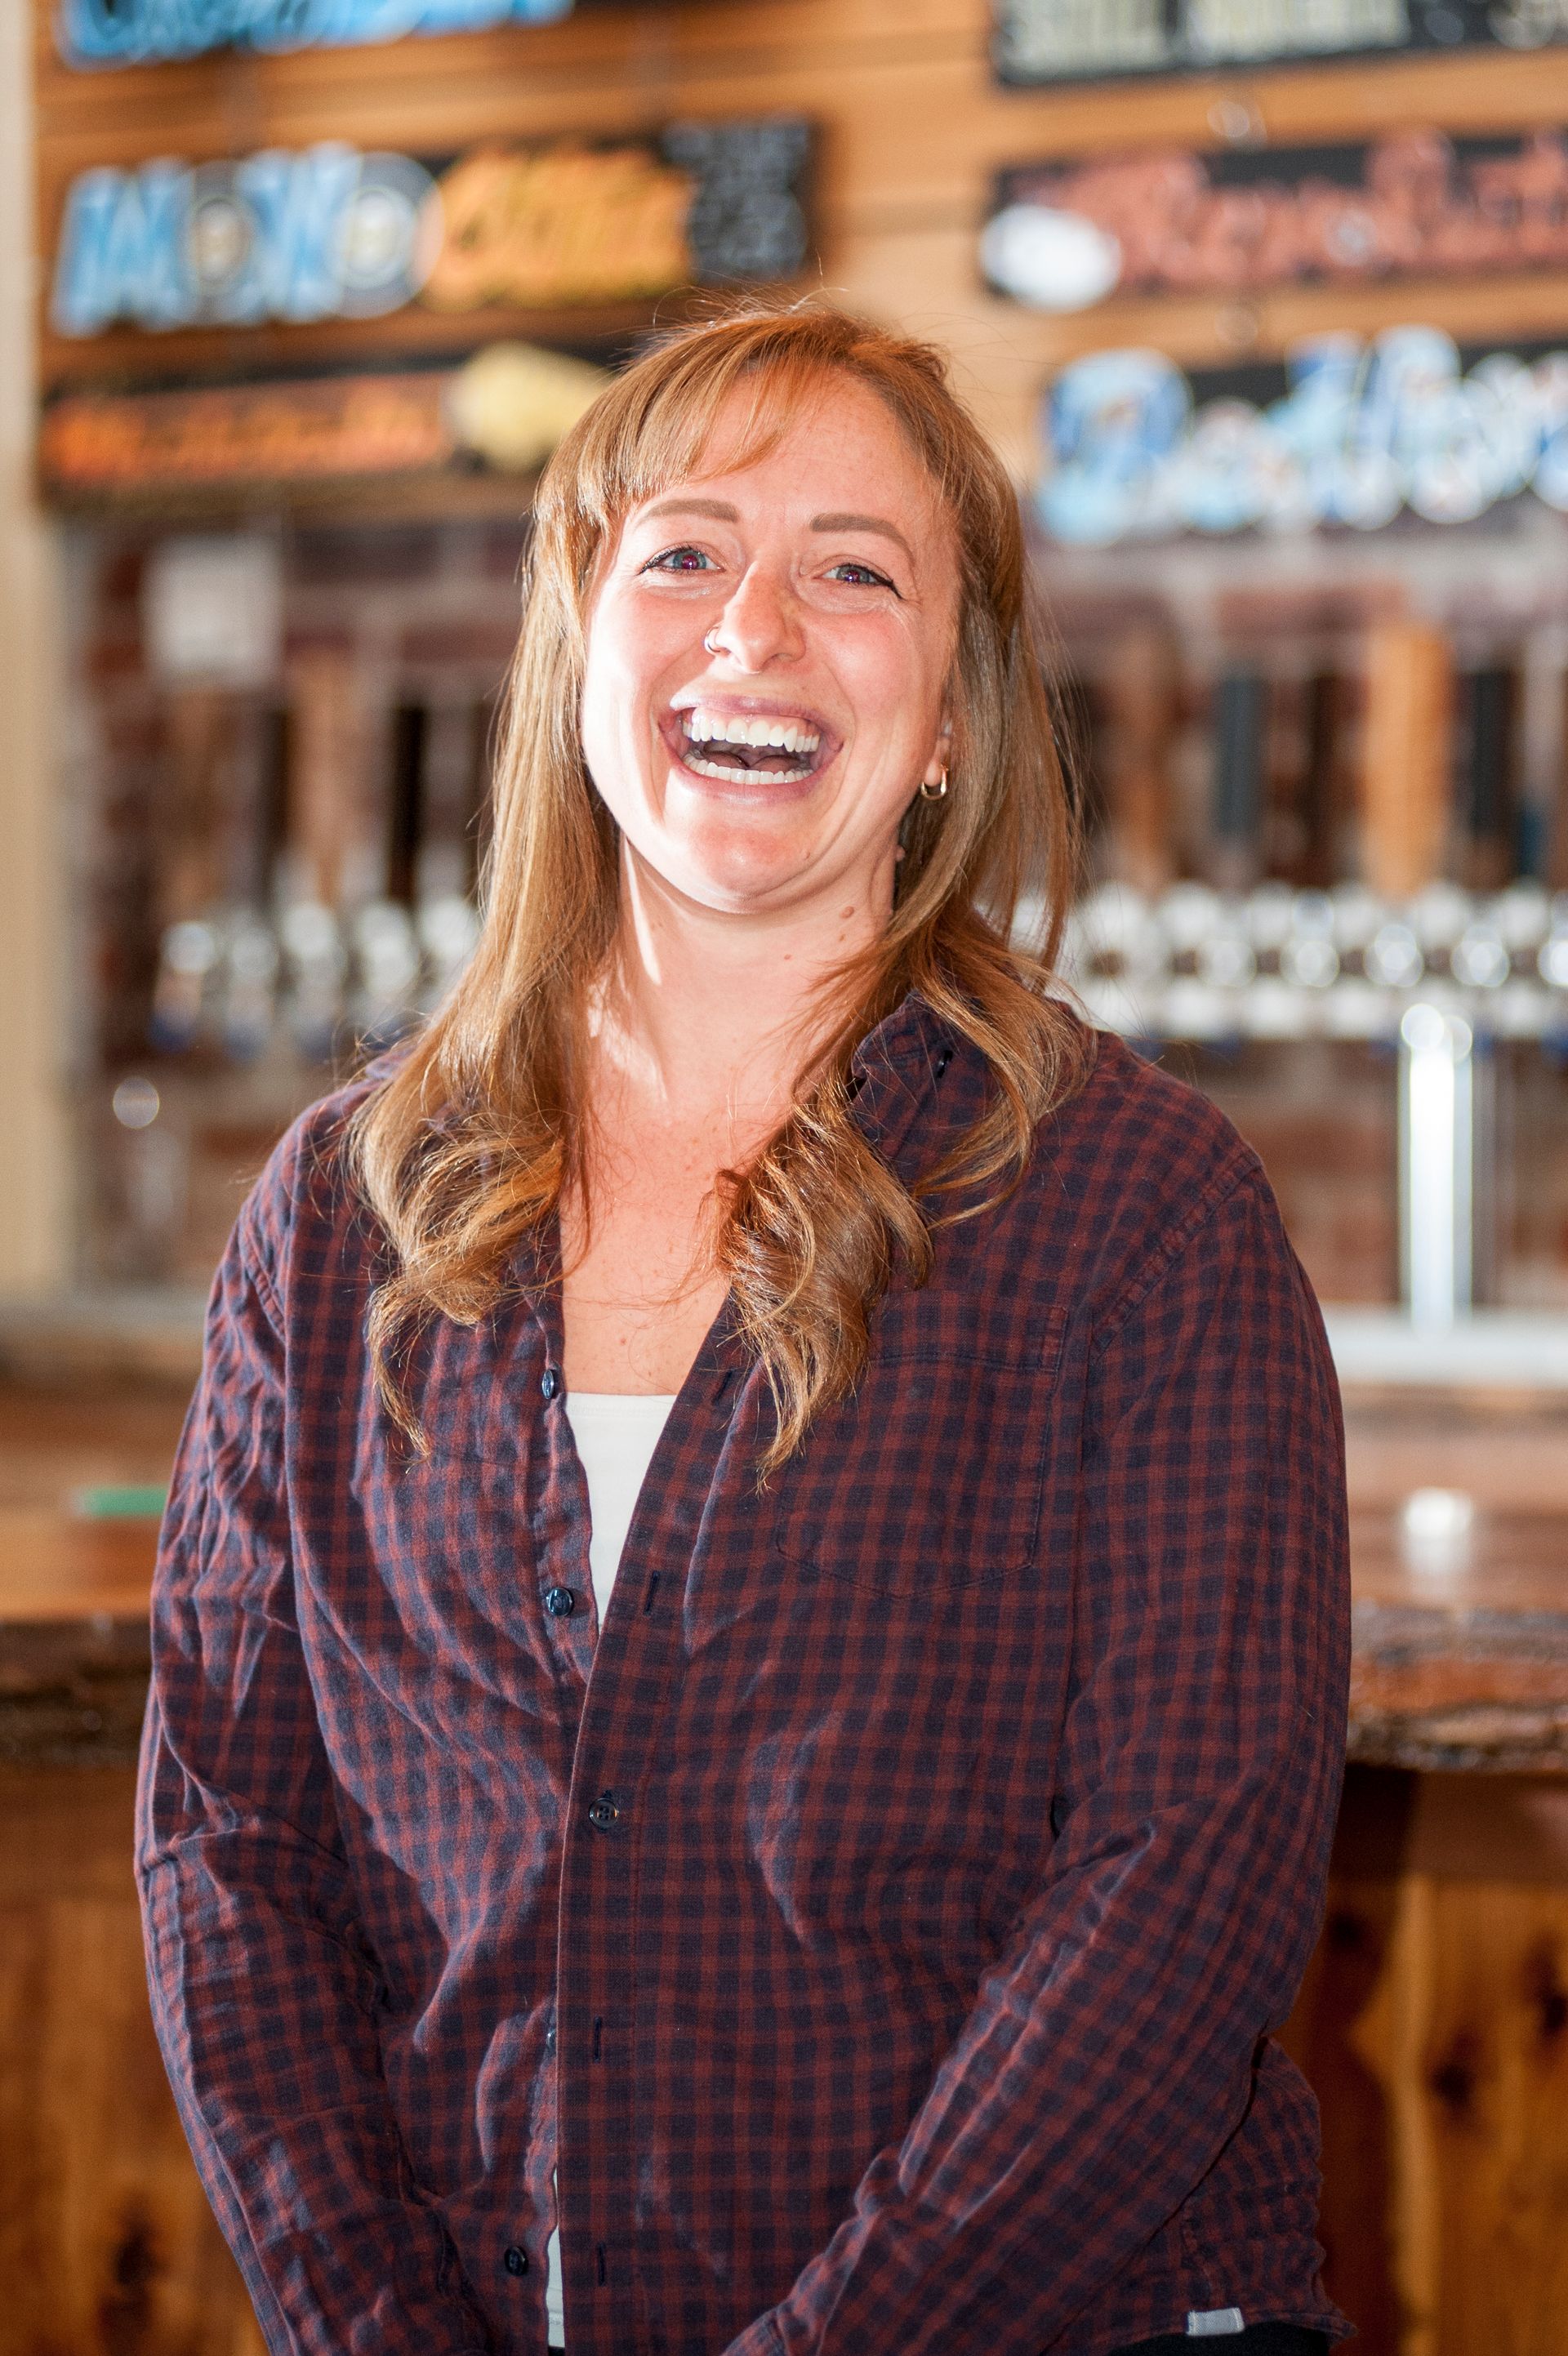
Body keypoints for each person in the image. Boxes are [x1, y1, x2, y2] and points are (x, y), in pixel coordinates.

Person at [137, 301, 1351, 2356]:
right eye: (683, 553)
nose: (753, 629)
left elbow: (1179, 1891)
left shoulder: (1143, 1215)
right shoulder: (339, 1220)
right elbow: (224, 1846)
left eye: (852, 571)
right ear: (578, 648)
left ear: (954, 714)